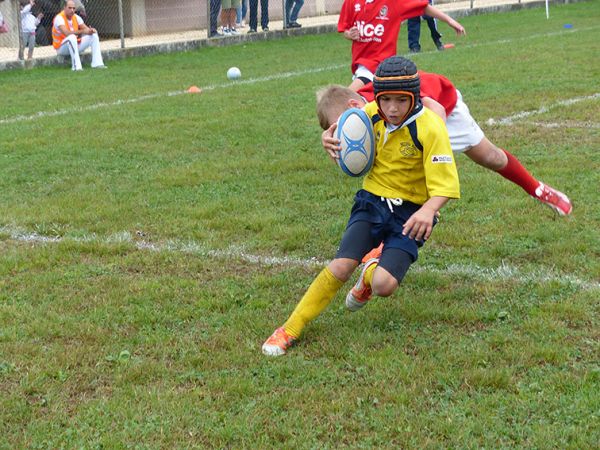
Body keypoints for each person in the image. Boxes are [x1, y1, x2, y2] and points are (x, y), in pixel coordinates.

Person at [262, 56, 461, 356]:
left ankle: (369, 276)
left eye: (400, 100)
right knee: (341, 265)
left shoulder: (431, 129)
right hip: (373, 201)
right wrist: (327, 139)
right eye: (385, 100)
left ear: (414, 97)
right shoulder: (370, 115)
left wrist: (428, 210)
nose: (392, 108)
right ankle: (289, 328)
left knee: (384, 285)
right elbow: (340, 128)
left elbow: (445, 186)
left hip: (411, 214)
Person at [316, 75, 572, 216]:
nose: (349, 136)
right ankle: (379, 254)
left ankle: (537, 188)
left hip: (442, 110)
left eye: (343, 129)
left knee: (492, 157)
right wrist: (331, 143)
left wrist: (428, 148)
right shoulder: (361, 116)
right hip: (409, 127)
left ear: (353, 107)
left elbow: (434, 110)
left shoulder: (387, 94)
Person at [338, 0, 465, 91]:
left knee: (346, 99)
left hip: (378, 66)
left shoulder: (393, 3)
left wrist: (450, 20)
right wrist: (350, 34)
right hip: (360, 65)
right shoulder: (351, 3)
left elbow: (424, 7)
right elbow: (345, 29)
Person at [52, 0, 106, 70]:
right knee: (71, 37)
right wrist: (83, 31)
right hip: (61, 48)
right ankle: (76, 67)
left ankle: (97, 64)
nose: (72, 10)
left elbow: (85, 29)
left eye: (74, 8)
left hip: (74, 44)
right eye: (70, 8)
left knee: (94, 36)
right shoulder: (59, 18)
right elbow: (67, 33)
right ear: (64, 8)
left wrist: (91, 31)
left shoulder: (76, 17)